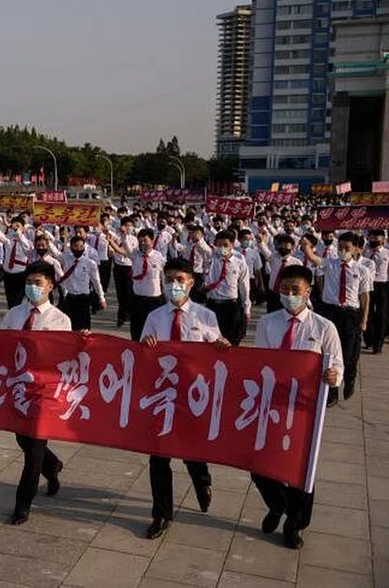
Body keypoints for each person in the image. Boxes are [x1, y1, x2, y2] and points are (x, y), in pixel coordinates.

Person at [251, 265, 343, 549]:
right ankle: (278, 505)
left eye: (295, 290)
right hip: (273, 403)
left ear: (308, 291)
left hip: (306, 408)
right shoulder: (269, 323)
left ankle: (295, 523)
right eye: (285, 289)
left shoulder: (324, 327)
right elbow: (261, 361)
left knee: (302, 468)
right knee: (260, 464)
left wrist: (333, 375)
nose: (289, 294)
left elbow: (337, 363)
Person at [140, 257, 229, 539]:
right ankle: (161, 514)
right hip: (163, 395)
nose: (174, 285)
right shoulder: (154, 317)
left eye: (179, 280)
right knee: (158, 458)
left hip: (193, 395)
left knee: (191, 451)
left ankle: (201, 481)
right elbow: (142, 354)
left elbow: (217, 349)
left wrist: (222, 346)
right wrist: (146, 346)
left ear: (191, 282)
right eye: (169, 280)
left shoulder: (205, 316)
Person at [0, 262, 70, 525]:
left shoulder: (61, 320)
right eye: (29, 282)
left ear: (50, 286)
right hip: (18, 389)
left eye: (38, 283)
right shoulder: (14, 315)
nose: (33, 287)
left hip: (43, 393)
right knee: (23, 441)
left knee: (34, 450)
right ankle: (52, 467)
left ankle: (22, 504)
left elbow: (65, 357)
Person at [301, 232, 369, 405]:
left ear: (355, 249)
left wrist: (364, 320)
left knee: (347, 354)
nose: (343, 251)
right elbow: (311, 257)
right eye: (340, 248)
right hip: (330, 312)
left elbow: (365, 297)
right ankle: (331, 393)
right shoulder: (330, 264)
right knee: (329, 353)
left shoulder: (362, 270)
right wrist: (306, 244)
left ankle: (350, 377)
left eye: (347, 248)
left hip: (350, 315)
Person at [109, 228, 166, 340]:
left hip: (154, 300)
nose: (143, 244)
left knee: (154, 330)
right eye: (140, 241)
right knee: (137, 328)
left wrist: (166, 295)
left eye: (145, 240)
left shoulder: (159, 257)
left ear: (152, 241)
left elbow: (163, 277)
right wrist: (124, 236)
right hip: (137, 299)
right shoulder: (135, 255)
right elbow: (127, 248)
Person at [204, 230, 250, 346]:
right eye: (219, 245)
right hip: (212, 305)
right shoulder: (211, 259)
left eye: (225, 245)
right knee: (211, 340)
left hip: (231, 306)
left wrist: (246, 309)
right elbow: (203, 248)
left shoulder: (240, 263)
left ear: (233, 245)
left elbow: (244, 288)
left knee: (232, 341)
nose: (222, 248)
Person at [58, 235, 106, 330]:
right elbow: (55, 252)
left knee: (83, 327)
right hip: (70, 297)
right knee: (68, 325)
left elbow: (96, 282)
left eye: (81, 247)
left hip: (83, 298)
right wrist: (47, 240)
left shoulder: (90, 263)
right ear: (71, 247)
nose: (79, 249)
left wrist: (101, 298)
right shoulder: (66, 258)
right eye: (76, 246)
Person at [364, 229, 388, 354]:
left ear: (383, 239)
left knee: (381, 315)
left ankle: (378, 345)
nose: (374, 240)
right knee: (368, 314)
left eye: (376, 238)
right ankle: (369, 340)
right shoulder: (365, 252)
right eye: (371, 238)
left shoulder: (387, 253)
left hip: (382, 285)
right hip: (368, 284)